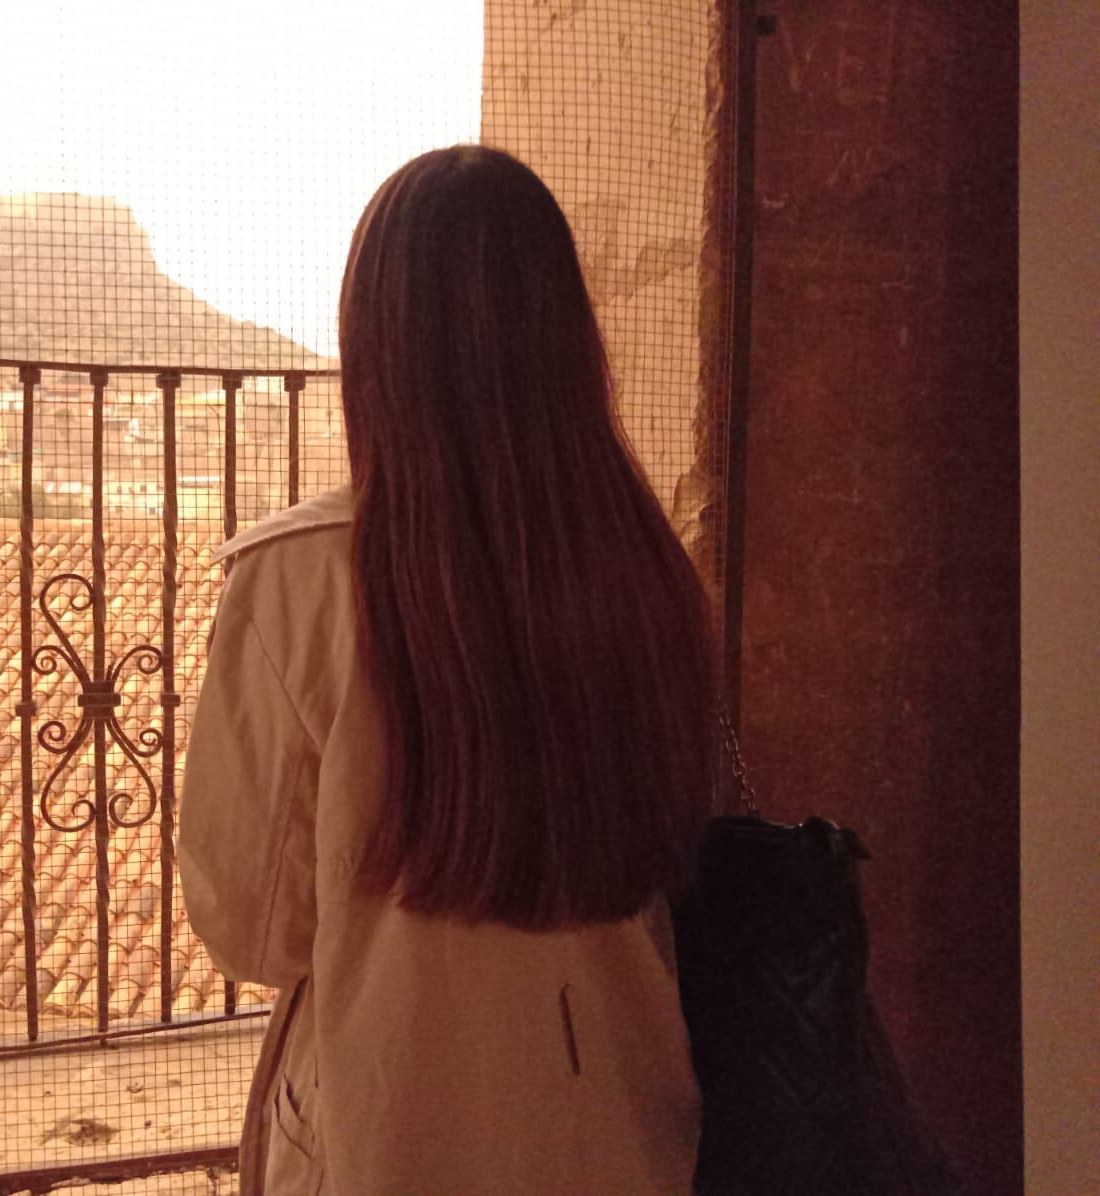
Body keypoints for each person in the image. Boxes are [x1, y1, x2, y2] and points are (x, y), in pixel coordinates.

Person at [179, 145, 715, 1196]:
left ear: (376, 343)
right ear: (567, 339)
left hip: (384, 1135)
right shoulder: (650, 567)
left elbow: (253, 921)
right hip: (623, 1130)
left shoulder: (302, 579)